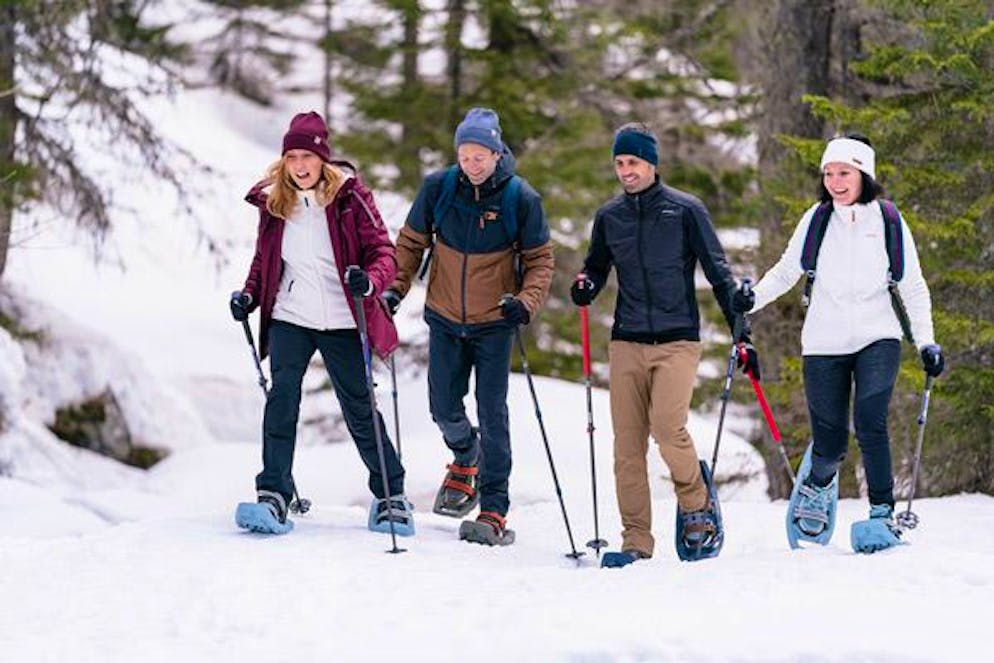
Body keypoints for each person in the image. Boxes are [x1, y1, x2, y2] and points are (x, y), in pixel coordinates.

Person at [732, 133, 944, 553]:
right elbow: (786, 271)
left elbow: (913, 286)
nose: (834, 181)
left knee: (871, 420)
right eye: (828, 173)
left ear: (864, 173)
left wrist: (926, 343)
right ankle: (818, 483)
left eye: (843, 172)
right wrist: (752, 298)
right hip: (824, 340)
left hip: (877, 335)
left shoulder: (887, 220)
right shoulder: (816, 219)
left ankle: (881, 513)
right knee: (828, 443)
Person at [570, 122, 753, 568]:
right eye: (619, 163)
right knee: (627, 446)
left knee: (668, 429)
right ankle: (635, 540)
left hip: (677, 341)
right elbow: (595, 268)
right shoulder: (609, 217)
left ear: (651, 163)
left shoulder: (686, 210)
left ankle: (696, 506)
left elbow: (718, 272)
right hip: (627, 341)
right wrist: (586, 285)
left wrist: (741, 330)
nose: (625, 171)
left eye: (632, 162)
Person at [230, 111, 412, 537]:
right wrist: (250, 295)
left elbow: (384, 253)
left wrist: (370, 282)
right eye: (291, 156)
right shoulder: (275, 203)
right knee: (282, 402)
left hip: (343, 318)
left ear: (322, 159)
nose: (299, 165)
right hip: (292, 316)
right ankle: (273, 495)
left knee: (359, 408)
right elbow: (265, 260)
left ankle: (390, 495)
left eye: (306, 156)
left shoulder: (351, 198)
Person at [383, 107, 554, 546]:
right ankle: (465, 455)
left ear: (497, 154)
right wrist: (396, 289)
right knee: (442, 406)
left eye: (481, 155)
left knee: (493, 413)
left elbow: (539, 261)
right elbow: (411, 242)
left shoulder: (520, 198)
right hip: (443, 318)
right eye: (465, 154)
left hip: (495, 323)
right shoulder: (439, 188)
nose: (472, 163)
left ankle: (494, 508)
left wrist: (526, 302)